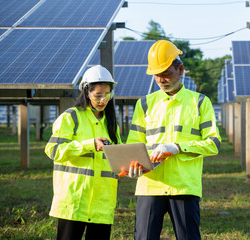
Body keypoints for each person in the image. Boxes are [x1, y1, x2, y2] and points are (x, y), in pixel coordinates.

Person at [125, 40, 221, 240]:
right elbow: (133, 145)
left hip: (184, 186)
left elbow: (213, 143)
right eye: (156, 75)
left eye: (166, 73)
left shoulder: (200, 102)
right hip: (150, 185)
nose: (161, 79)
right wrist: (132, 166)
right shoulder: (144, 104)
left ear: (181, 69)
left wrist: (178, 147)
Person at [45, 65, 122, 240]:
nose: (103, 100)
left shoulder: (111, 124)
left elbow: (117, 157)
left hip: (102, 203)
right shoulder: (70, 117)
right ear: (86, 92)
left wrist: (126, 166)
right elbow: (53, 150)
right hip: (74, 202)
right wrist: (88, 145)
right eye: (98, 95)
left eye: (107, 95)